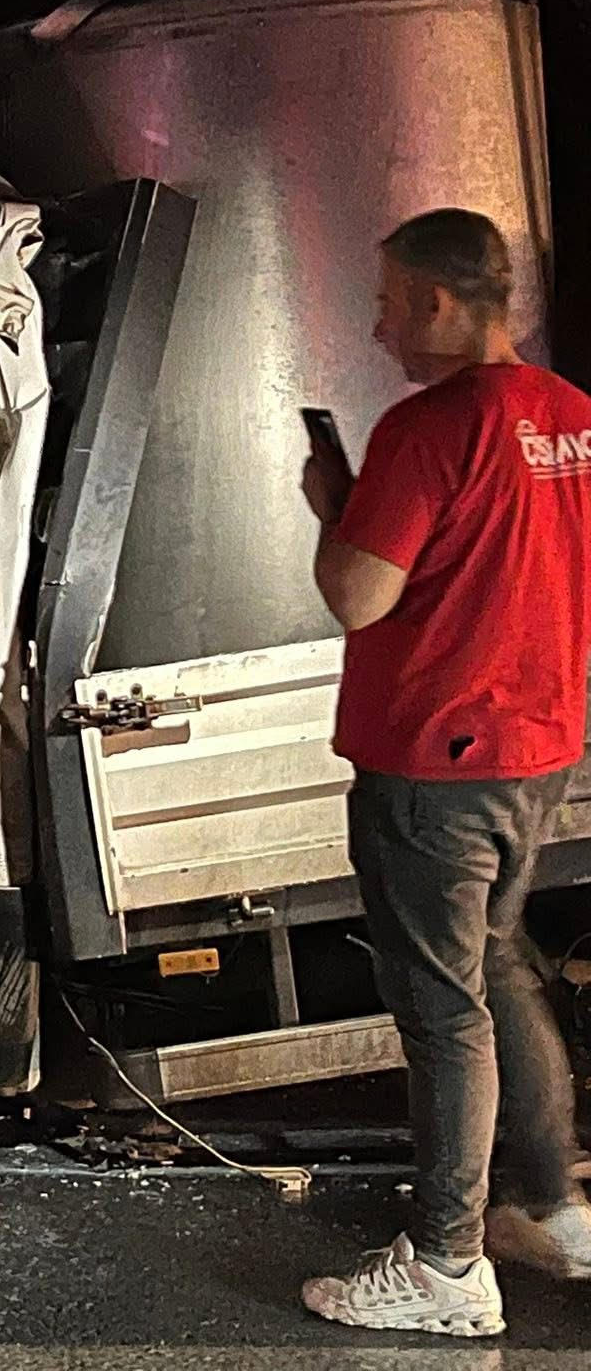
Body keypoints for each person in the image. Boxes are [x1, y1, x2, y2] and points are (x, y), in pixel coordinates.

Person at [298, 208, 591, 1336]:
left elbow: (355, 595)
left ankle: (441, 1262)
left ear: (432, 299)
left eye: (383, 301)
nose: (375, 325)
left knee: (439, 1010)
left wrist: (334, 506)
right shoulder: (570, 417)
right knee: (497, 969)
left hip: (433, 760)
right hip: (535, 750)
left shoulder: (428, 429)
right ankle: (546, 1205)